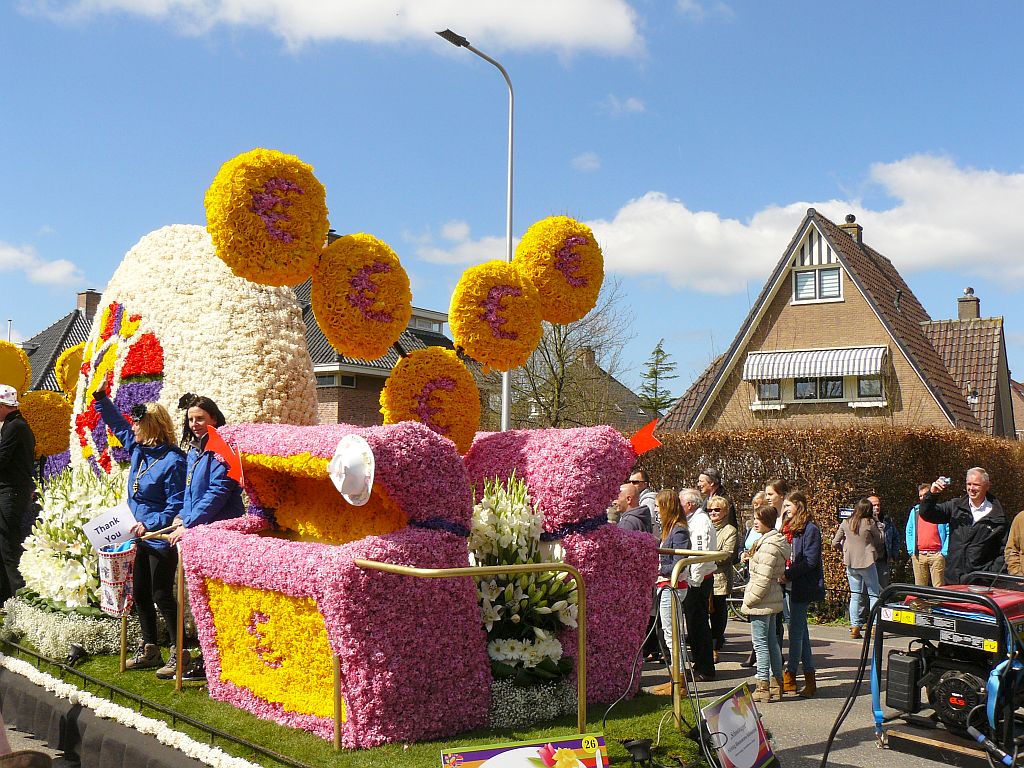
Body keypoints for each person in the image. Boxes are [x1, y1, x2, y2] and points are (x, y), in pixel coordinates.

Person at [92, 389, 186, 675]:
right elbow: (118, 425)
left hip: (159, 537)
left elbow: (177, 503)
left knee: (161, 595)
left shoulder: (174, 461)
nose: (132, 428)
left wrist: (151, 523)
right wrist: (101, 401)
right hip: (135, 536)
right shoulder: (138, 449)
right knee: (141, 593)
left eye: (137, 424)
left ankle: (179, 653)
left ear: (151, 427)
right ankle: (150, 649)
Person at [167, 395, 245, 680]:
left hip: (219, 531)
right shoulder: (195, 450)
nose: (194, 424)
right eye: (190, 419)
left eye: (200, 418)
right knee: (198, 599)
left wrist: (188, 521)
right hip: (198, 531)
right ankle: (207, 656)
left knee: (216, 598)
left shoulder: (222, 448)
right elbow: (191, 493)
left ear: (214, 418)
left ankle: (219, 659)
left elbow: (217, 491)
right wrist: (180, 516)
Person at [921, 469, 1007, 584]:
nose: (971, 488)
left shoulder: (998, 517)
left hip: (980, 584)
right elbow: (927, 514)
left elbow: (1005, 551)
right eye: (969, 484)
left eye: (976, 485)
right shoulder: (955, 507)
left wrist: (989, 574)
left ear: (987, 486)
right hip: (952, 580)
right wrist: (932, 495)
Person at [741, 504, 790, 703]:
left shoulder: (768, 545)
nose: (755, 522)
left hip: (762, 599)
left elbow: (762, 578)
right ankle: (776, 681)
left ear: (767, 522)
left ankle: (763, 684)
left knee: (760, 643)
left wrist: (749, 599)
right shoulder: (771, 541)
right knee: (771, 642)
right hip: (771, 597)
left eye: (758, 519)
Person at [781, 490, 824, 698]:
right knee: (801, 633)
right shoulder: (788, 529)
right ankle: (810, 678)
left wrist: (788, 575)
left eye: (788, 505)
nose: (785, 509)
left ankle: (790, 675)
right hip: (788, 587)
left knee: (796, 634)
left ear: (799, 505)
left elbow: (810, 560)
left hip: (801, 586)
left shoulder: (810, 529)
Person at [649, 489, 691, 696]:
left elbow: (679, 564)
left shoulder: (679, 530)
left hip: (673, 586)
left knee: (672, 635)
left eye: (658, 506)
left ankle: (680, 681)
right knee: (669, 634)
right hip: (665, 585)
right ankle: (676, 678)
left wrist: (657, 569)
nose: (656, 511)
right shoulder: (669, 529)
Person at [0, 385, 35, 603]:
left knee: (8, 545)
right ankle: (6, 597)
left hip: (11, 492)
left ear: (3, 406)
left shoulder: (16, 427)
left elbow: (2, 459)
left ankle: (17, 599)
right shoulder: (12, 425)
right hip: (10, 490)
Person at [679, 488, 717, 681]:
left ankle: (705, 667)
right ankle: (700, 663)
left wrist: (694, 579)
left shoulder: (701, 521)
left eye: (681, 502)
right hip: (696, 577)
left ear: (690, 504)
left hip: (699, 579)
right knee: (694, 625)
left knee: (698, 624)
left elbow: (700, 553)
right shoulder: (693, 520)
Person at [833, 498, 883, 639]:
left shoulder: (846, 522)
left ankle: (855, 627)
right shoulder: (870, 522)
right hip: (867, 562)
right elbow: (880, 539)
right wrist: (879, 524)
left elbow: (835, 542)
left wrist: (844, 549)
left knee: (855, 595)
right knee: (874, 594)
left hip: (851, 562)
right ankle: (873, 626)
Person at [739, 491, 768, 669]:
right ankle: (754, 651)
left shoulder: (768, 530)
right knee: (752, 617)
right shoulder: (751, 527)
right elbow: (744, 545)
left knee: (762, 618)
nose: (756, 506)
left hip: (762, 575)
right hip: (750, 572)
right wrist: (743, 553)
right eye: (754, 504)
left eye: (759, 503)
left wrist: (755, 557)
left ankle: (760, 657)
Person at [708, 495, 738, 662]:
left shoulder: (730, 531)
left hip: (719, 578)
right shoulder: (706, 527)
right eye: (710, 510)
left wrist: (703, 558)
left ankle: (715, 646)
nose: (713, 513)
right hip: (704, 576)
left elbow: (727, 555)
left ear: (725, 512)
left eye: (717, 509)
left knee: (718, 614)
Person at [906, 483, 947, 586]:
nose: (922, 498)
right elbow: (909, 531)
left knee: (939, 589)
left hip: (937, 554)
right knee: (920, 589)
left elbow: (948, 531)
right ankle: (921, 603)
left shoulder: (940, 510)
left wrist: (943, 553)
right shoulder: (915, 511)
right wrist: (911, 551)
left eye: (925, 495)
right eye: (920, 496)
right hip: (919, 555)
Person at [629, 469, 660, 539]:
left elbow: (652, 526)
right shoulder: (638, 499)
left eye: (635, 482)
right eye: (630, 482)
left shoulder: (648, 501)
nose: (631, 485)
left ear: (645, 484)